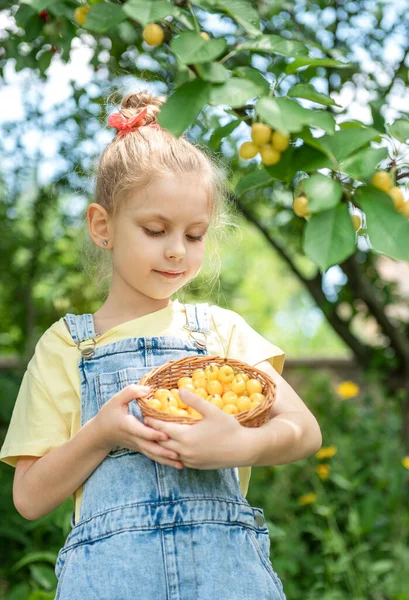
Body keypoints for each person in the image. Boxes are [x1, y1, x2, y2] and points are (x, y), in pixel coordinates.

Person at [0, 90, 322, 600]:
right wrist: (101, 434)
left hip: (227, 583)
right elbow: (30, 498)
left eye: (195, 236)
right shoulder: (67, 346)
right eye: (155, 229)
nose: (177, 250)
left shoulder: (220, 332)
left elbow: (304, 432)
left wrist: (241, 445)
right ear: (103, 227)